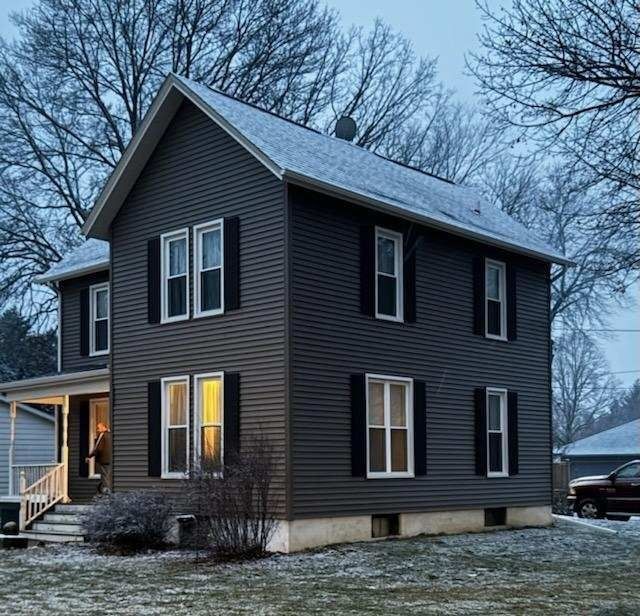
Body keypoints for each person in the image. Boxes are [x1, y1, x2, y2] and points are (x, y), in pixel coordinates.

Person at [86, 421, 112, 494]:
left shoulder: (102, 435)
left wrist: (89, 456)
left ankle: (106, 491)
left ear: (104, 427)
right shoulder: (110, 434)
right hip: (110, 459)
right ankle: (105, 490)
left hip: (103, 459)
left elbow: (98, 448)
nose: (97, 429)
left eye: (98, 428)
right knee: (107, 475)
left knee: (105, 476)